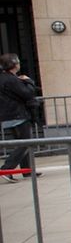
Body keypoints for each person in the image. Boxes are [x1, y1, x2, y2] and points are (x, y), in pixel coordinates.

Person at [0, 53, 40, 182]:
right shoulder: (11, 79)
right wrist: (29, 81)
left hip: (9, 115)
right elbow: (27, 93)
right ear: (13, 64)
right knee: (25, 143)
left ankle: (26, 170)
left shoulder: (5, 78)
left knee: (22, 142)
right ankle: (6, 169)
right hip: (17, 115)